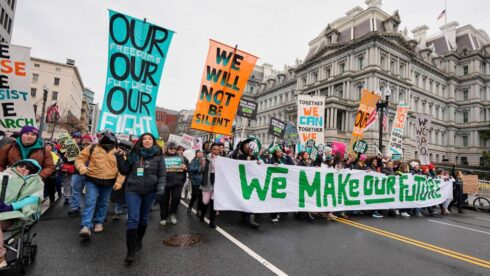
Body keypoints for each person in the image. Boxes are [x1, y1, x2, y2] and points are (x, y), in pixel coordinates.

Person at [115, 133, 166, 265]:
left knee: (144, 218)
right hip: (133, 190)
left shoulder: (159, 157)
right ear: (141, 141)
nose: (147, 141)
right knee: (133, 218)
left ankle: (139, 240)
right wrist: (119, 158)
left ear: (153, 142)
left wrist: (160, 190)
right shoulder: (134, 154)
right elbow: (124, 171)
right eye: (144, 139)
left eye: (150, 139)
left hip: (150, 191)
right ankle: (130, 251)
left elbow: (162, 176)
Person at [75, 130, 125, 239]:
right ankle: (86, 226)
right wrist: (82, 167)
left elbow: (123, 169)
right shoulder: (92, 148)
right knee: (90, 202)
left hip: (109, 181)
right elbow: (79, 159)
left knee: (103, 202)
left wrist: (119, 182)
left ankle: (99, 221)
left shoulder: (119, 151)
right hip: (92, 179)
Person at [0, 159, 44, 268]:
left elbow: (33, 199)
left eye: (27, 168)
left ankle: (1, 256)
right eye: (21, 166)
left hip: (15, 212)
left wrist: (11, 206)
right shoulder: (4, 175)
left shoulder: (36, 180)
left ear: (32, 171)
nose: (23, 169)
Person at [159, 142, 188, 226]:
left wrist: (185, 167)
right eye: (171, 148)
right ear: (167, 148)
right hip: (165, 182)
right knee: (164, 201)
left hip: (177, 183)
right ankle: (163, 217)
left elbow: (188, 168)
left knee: (176, 199)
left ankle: (172, 214)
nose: (173, 150)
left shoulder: (181, 158)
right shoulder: (162, 157)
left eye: (175, 148)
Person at [67, 134, 93, 216]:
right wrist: (66, 157)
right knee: (75, 190)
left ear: (91, 141)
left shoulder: (94, 150)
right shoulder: (76, 148)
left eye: (88, 140)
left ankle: (89, 209)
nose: (86, 141)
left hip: (90, 174)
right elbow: (70, 161)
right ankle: (75, 207)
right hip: (77, 172)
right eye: (85, 139)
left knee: (90, 192)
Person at [200, 143, 220, 228]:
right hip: (208, 180)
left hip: (217, 181)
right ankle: (202, 215)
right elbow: (200, 170)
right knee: (205, 202)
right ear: (211, 150)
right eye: (214, 149)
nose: (216, 151)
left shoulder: (221, 159)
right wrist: (202, 165)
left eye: (217, 149)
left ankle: (212, 221)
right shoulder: (206, 158)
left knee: (214, 203)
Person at [187, 150, 204, 215]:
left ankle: (198, 210)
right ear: (196, 154)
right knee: (195, 194)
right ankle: (190, 205)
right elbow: (190, 169)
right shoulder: (193, 161)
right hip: (194, 180)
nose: (200, 153)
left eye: (201, 152)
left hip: (202, 181)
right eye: (199, 152)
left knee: (201, 196)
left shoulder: (204, 161)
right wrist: (198, 167)